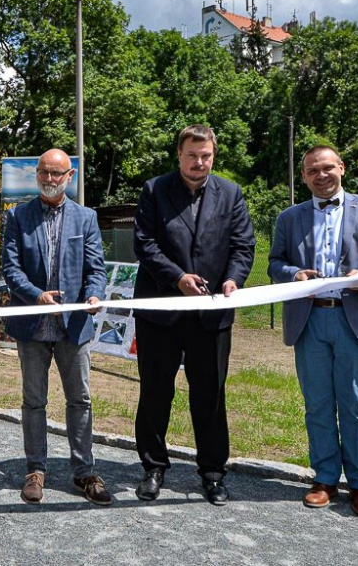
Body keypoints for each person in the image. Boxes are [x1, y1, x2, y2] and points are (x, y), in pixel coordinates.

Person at [269, 145, 358, 518]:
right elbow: (275, 263)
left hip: (356, 319)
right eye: (313, 171)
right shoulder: (289, 217)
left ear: (341, 168)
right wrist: (294, 274)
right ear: (304, 176)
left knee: (356, 404)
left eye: (328, 167)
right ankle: (325, 478)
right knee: (318, 403)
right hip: (309, 320)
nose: (321, 175)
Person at [132, 124, 255, 506]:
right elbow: (145, 244)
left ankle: (213, 473)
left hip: (211, 313)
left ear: (213, 156)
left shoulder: (231, 193)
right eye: (192, 155)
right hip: (162, 312)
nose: (199, 162)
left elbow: (243, 245)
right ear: (179, 155)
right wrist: (177, 278)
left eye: (206, 156)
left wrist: (234, 279)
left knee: (211, 395)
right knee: (155, 392)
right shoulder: (154, 189)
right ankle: (153, 468)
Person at [0, 148, 111, 506]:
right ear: (37, 175)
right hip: (32, 325)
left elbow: (96, 269)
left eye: (57, 173)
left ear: (70, 177)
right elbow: (10, 268)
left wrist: (93, 296)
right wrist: (35, 296)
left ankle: (84, 472)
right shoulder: (17, 217)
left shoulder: (86, 218)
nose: (50, 179)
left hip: (73, 326)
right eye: (44, 172)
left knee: (80, 399)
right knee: (34, 402)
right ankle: (35, 470)